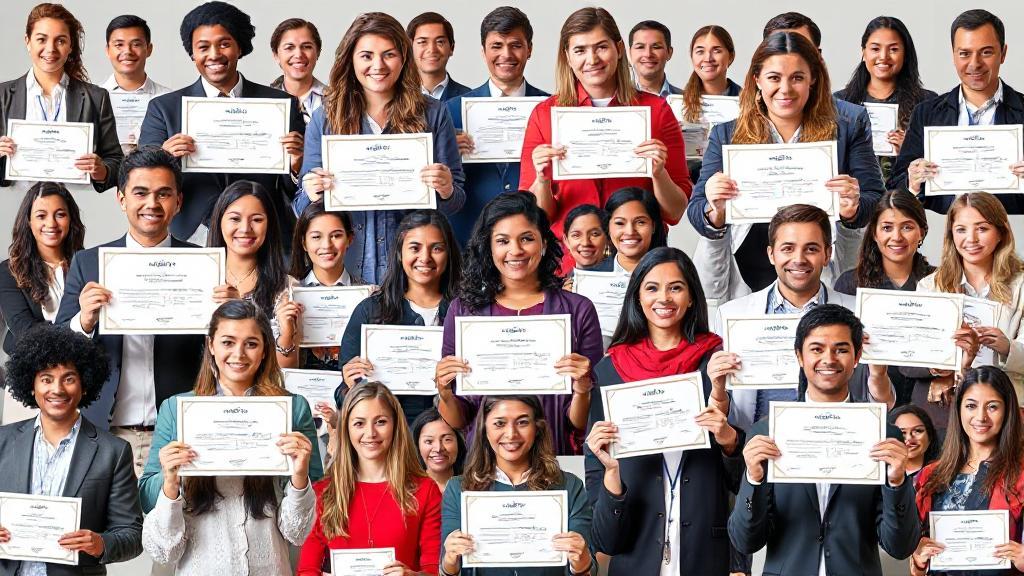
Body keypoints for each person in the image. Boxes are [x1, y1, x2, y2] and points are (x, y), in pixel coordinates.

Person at [55, 147, 219, 477]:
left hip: (179, 433)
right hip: (105, 433)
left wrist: (225, 318)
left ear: (179, 202)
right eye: (140, 193)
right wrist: (83, 321)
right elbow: (55, 349)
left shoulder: (205, 265)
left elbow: (221, 355)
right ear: (121, 199)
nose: (152, 204)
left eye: (164, 194)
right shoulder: (89, 264)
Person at [688, 31, 882, 304]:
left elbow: (874, 197)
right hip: (745, 274)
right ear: (757, 80)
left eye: (797, 78)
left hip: (816, 268)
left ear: (813, 79)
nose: (786, 89)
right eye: (774, 78)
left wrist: (853, 209)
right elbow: (696, 210)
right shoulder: (726, 134)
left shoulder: (844, 130)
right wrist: (714, 209)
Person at [585, 247, 744, 575]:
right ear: (637, 298)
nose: (664, 298)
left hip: (707, 553)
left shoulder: (716, 362)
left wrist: (729, 440)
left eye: (676, 287)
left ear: (690, 297)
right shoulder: (610, 371)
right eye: (652, 288)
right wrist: (610, 473)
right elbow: (603, 539)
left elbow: (745, 482)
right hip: (635, 553)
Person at [728, 304, 919, 575]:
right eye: (817, 349)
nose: (828, 359)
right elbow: (745, 541)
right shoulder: (766, 432)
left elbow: (900, 547)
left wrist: (897, 482)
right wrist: (753, 479)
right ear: (799, 356)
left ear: (857, 357)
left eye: (841, 349)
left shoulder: (883, 434)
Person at [139, 299, 320, 574]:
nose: (239, 354)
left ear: (264, 351)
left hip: (268, 563)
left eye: (251, 343)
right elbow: (148, 497)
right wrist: (171, 480)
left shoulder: (293, 409)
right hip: (200, 564)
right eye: (228, 342)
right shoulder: (176, 409)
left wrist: (299, 476)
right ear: (211, 345)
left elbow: (299, 531)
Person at [294, 11, 465, 284]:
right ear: (350, 59)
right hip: (345, 269)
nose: (378, 65)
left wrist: (446, 189)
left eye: (389, 54)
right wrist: (311, 192)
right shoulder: (325, 117)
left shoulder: (433, 114)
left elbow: (456, 201)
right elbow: (300, 207)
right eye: (366, 56)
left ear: (404, 58)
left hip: (413, 273)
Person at [520, 7, 690, 272]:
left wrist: (658, 174)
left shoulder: (656, 111)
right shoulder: (545, 115)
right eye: (580, 50)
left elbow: (676, 211)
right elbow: (537, 217)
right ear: (567, 56)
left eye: (601, 47)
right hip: (568, 263)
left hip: (640, 262)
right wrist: (541, 180)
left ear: (619, 48)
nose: (592, 59)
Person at [435, 192, 602, 455]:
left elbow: (580, 423)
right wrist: (444, 391)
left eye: (526, 238)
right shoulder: (463, 311)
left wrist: (582, 390)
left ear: (544, 243)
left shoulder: (578, 310)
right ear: (488, 247)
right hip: (485, 464)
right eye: (502, 241)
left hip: (554, 458)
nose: (515, 250)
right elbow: (459, 419)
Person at [138, 1, 305, 245]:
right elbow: (141, 180)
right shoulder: (164, 108)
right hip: (190, 234)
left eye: (224, 44)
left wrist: (296, 167)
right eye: (203, 47)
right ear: (192, 53)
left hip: (264, 234)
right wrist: (164, 156)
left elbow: (300, 190)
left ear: (239, 48)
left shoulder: (281, 104)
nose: (214, 54)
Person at [714, 205, 873, 432]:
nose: (798, 259)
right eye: (788, 248)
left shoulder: (858, 312)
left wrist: (877, 367)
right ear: (771, 254)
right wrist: (717, 386)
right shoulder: (732, 315)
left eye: (811, 249)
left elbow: (875, 399)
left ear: (827, 254)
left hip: (838, 441)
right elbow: (728, 407)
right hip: (757, 445)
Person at [0, 325, 143, 575]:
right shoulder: (2, 441)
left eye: (69, 378)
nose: (57, 389)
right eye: (46, 379)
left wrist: (101, 544)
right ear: (31, 385)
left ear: (84, 385)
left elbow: (132, 535)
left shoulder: (114, 451)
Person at [297, 381, 441, 576]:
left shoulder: (425, 489)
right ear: (346, 430)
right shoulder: (324, 492)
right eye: (359, 423)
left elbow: (434, 570)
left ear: (396, 425)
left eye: (381, 422)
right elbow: (306, 569)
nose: (370, 433)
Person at [441, 395, 594, 576]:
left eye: (522, 422)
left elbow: (587, 570)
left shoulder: (569, 486)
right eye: (499, 424)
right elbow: (448, 571)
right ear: (484, 429)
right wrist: (450, 560)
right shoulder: (459, 489)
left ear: (537, 428)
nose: (511, 434)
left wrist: (581, 559)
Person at [891, 9, 1024, 215]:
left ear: (1003, 53)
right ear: (953, 55)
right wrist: (912, 182)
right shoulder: (926, 113)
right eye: (964, 53)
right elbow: (895, 189)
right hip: (944, 234)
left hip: (1012, 233)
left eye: (986, 52)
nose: (975, 64)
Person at [341, 210, 462, 425]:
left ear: (449, 253)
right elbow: (341, 395)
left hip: (450, 438)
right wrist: (351, 385)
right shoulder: (370, 311)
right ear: (399, 252)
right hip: (390, 435)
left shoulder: (466, 312)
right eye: (415, 248)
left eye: (437, 248)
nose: (425, 258)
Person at [445, 6, 549, 246]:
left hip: (532, 240)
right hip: (469, 240)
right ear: (483, 52)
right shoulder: (451, 111)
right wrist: (448, 155)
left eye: (515, 45)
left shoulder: (550, 109)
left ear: (529, 50)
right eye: (497, 46)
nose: (506, 54)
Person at [916, 192, 1024, 420]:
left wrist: (1007, 347)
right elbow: (922, 352)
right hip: (952, 404)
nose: (971, 239)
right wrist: (945, 366)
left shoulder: (1021, 284)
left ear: (1000, 233)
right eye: (961, 230)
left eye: (982, 229)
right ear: (951, 235)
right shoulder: (929, 286)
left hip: (1011, 404)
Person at [910, 367, 1024, 575]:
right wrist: (919, 560)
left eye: (992, 407)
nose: (980, 417)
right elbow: (919, 563)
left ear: (1008, 411)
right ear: (958, 409)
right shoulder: (930, 476)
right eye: (971, 406)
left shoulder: (1021, 475)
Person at [0, 3, 123, 192]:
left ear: (70, 46)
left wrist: (101, 170)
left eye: (60, 41)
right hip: (17, 203)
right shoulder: (2, 96)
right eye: (41, 39)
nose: (50, 49)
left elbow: (117, 163)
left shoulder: (96, 97)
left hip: (77, 203)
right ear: (28, 41)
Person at [834, 189, 935, 407]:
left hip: (927, 401)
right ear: (874, 233)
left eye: (907, 227)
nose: (896, 237)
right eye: (887, 227)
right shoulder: (850, 284)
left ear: (922, 233)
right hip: (866, 400)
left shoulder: (940, 281)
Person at [835, 16, 936, 180]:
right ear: (863, 52)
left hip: (907, 199)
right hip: (854, 198)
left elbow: (938, 162)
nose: (883, 56)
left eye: (893, 49)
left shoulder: (927, 103)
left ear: (905, 54)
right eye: (875, 49)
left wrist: (911, 149)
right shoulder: (841, 103)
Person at [275, 199, 363, 371]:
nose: (327, 245)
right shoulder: (285, 295)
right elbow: (280, 370)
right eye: (316, 237)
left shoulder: (371, 295)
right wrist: (287, 332)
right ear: (303, 243)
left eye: (336, 235)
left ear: (350, 239)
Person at [1, 183, 84, 355]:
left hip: (81, 371)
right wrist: (80, 326)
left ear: (71, 219)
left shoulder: (88, 264)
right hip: (30, 371)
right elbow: (25, 331)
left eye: (60, 215)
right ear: (29, 222)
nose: (51, 223)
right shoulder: (9, 271)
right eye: (41, 216)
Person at [679, 25, 742, 178]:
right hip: (686, 185)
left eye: (717, 51)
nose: (708, 58)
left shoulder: (747, 103)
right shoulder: (675, 104)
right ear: (692, 57)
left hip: (730, 185)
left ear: (731, 56)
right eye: (700, 51)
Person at [101, 15, 170, 152]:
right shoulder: (92, 99)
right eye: (119, 45)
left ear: (149, 49)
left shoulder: (168, 98)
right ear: (108, 50)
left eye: (136, 44)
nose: (127, 51)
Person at [591, 187, 666, 274]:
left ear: (653, 226)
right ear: (608, 226)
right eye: (620, 223)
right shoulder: (588, 277)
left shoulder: (673, 273)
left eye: (640, 222)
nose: (630, 232)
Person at [269, 18, 326, 125]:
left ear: (318, 52)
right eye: (289, 47)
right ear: (276, 55)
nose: (299, 54)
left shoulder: (337, 102)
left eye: (307, 47)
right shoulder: (263, 101)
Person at [407, 12, 470, 101]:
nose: (432, 50)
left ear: (451, 48)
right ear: (410, 48)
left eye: (440, 42)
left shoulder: (469, 98)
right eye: (422, 42)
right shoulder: (395, 97)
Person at [412, 408, 466, 494]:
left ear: (459, 443)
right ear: (417, 445)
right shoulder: (408, 490)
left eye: (447, 439)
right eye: (429, 441)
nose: (438, 449)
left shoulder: (473, 488)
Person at [628, 20, 681, 97]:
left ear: (669, 52)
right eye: (640, 47)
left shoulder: (687, 101)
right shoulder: (616, 103)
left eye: (656, 47)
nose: (648, 54)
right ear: (630, 53)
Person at [561, 204, 610, 286]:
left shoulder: (624, 279)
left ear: (608, 238)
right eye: (576, 235)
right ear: (566, 241)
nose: (585, 243)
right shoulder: (559, 287)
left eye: (594, 234)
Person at [889, 404, 941, 479]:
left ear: (929, 437)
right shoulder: (879, 478)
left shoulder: (943, 476)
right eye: (902, 432)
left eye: (917, 431)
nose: (909, 438)